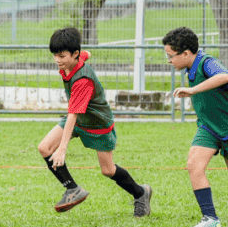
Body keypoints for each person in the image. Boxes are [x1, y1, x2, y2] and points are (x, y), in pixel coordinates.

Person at [38, 27, 151, 217]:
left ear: (75, 54)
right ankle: (72, 190)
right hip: (79, 117)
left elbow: (72, 114)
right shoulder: (72, 60)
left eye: (61, 56)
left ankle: (141, 193)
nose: (57, 60)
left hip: (97, 124)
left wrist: (62, 149)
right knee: (44, 148)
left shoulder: (83, 80)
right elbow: (85, 54)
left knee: (107, 170)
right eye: (55, 55)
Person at [162, 26, 228, 227]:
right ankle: (210, 219)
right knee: (193, 164)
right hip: (208, 128)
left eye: (170, 56)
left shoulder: (207, 62)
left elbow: (224, 76)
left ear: (186, 53)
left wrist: (193, 90)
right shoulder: (190, 67)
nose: (169, 60)